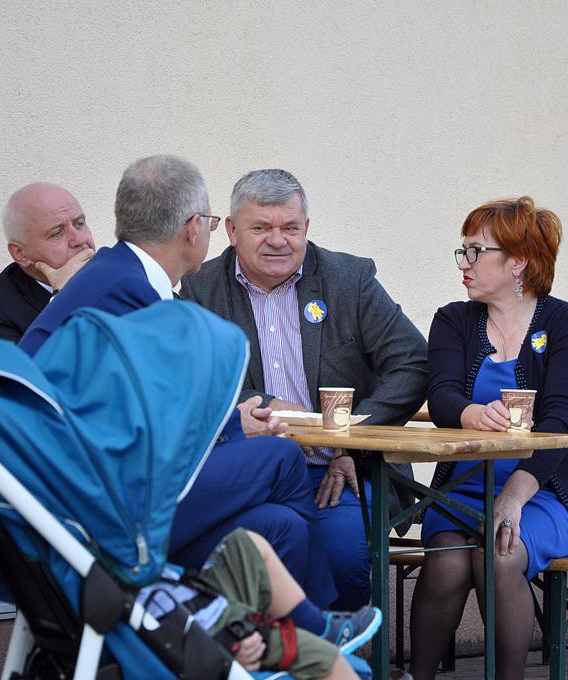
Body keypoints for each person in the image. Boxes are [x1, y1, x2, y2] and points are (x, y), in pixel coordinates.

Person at [20, 155, 339, 607]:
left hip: (85, 491)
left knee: (279, 525)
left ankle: (272, 647)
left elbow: (135, 403)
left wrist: (228, 418)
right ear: (193, 228)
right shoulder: (129, 292)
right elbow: (150, 418)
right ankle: (320, 630)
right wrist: (232, 426)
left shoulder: (114, 275)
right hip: (98, 507)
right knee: (283, 456)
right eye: (210, 222)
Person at [180, 168, 429, 609]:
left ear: (307, 229)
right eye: (261, 228)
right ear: (233, 231)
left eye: (290, 228)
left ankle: (328, 660)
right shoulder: (200, 290)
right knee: (250, 560)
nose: (278, 240)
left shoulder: (348, 279)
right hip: (256, 473)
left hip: (344, 471)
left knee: (343, 560)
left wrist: (350, 438)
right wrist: (265, 405)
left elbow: (413, 362)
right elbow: (193, 384)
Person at [408, 197, 568, 680]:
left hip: (546, 492)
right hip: (463, 488)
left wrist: (515, 495)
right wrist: (472, 412)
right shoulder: (455, 319)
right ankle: (417, 676)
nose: (464, 264)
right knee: (448, 562)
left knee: (499, 553)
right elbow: (443, 395)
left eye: (476, 251)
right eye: (463, 251)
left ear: (518, 261)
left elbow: (565, 417)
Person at [144, 528, 381, 680]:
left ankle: (318, 627)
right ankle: (318, 634)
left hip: (178, 591)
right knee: (329, 661)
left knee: (246, 542)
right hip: (200, 634)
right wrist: (215, 655)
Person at [0, 183, 96, 342]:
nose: (80, 239)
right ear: (20, 254)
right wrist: (60, 298)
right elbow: (35, 365)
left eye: (79, 224)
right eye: (57, 233)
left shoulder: (120, 274)